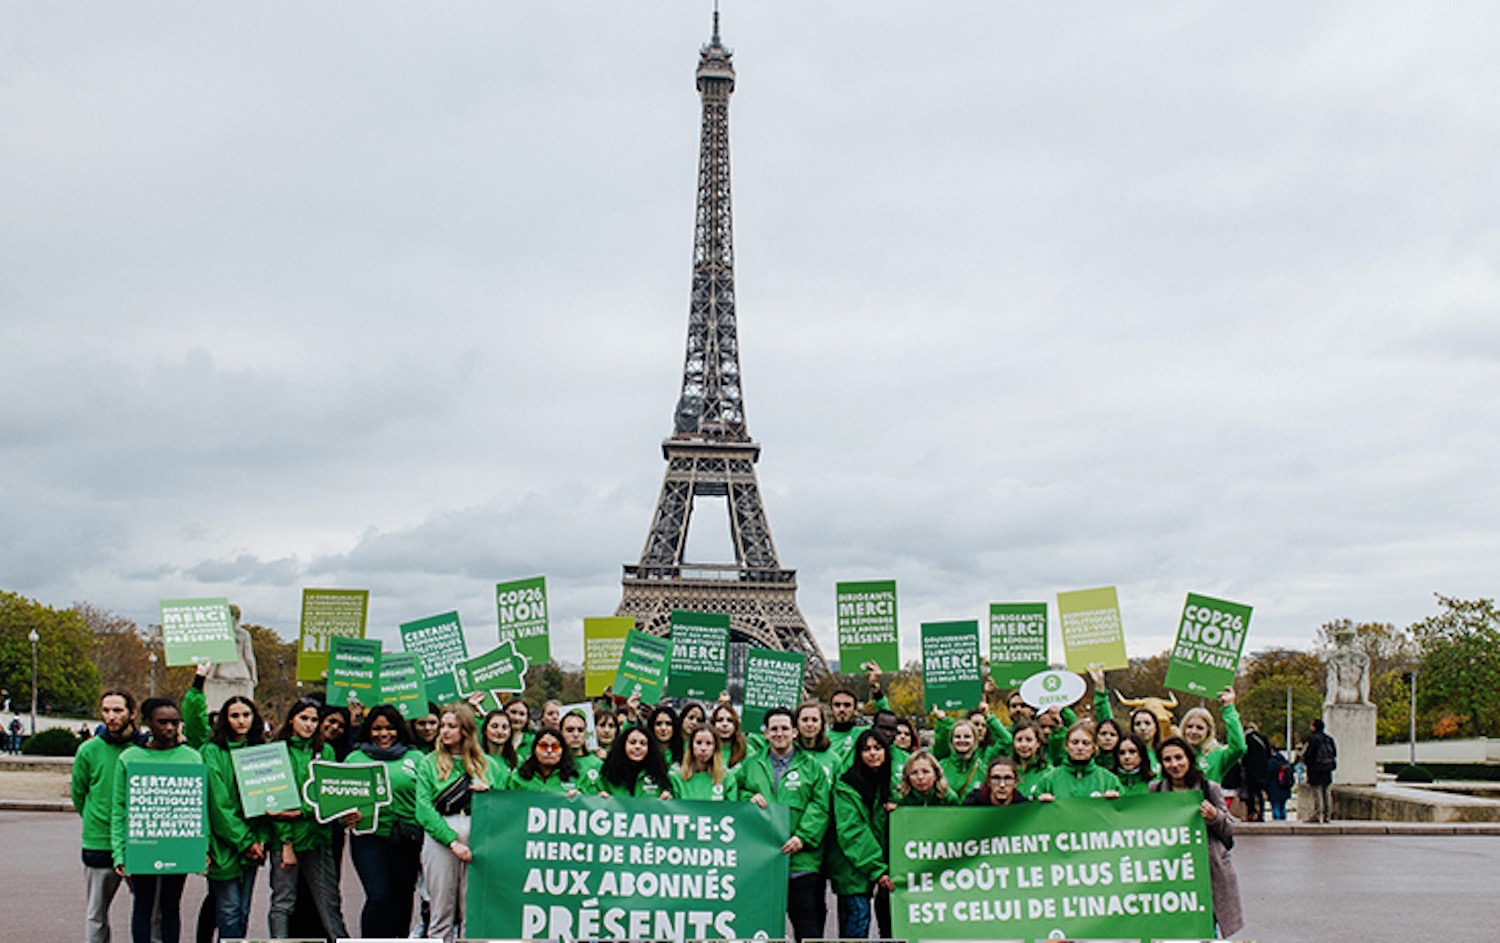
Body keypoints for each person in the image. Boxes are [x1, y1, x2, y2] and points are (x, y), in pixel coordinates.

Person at [109, 698, 203, 943]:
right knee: (143, 905)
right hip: (143, 844)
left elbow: (200, 809)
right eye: (163, 723)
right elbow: (119, 809)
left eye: (174, 722)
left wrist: (202, 848)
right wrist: (119, 853)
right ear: (148, 723)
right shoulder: (130, 758)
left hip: (178, 843)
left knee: (171, 906)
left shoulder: (191, 758)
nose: (170, 728)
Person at [734, 707, 832, 943]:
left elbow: (820, 806)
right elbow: (733, 793)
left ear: (795, 732)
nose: (780, 733)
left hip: (801, 860)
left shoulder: (812, 767)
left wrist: (802, 837)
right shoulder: (750, 766)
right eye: (774, 729)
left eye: (785, 728)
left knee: (807, 925)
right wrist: (747, 799)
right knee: (760, 928)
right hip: (761, 862)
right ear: (765, 734)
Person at [415, 703, 503, 943]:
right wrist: (451, 841)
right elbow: (423, 809)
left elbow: (507, 801)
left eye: (452, 726)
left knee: (473, 906)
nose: (444, 731)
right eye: (443, 726)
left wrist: (489, 793)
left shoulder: (488, 764)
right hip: (442, 831)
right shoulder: (428, 763)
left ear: (465, 730)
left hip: (478, 830)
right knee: (441, 904)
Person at [268, 697, 347, 940]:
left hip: (318, 838)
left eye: (314, 720)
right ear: (291, 719)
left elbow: (328, 795)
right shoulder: (276, 751)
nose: (309, 724)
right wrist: (286, 842)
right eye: (304, 718)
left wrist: (300, 811)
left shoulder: (326, 750)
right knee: (283, 902)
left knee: (329, 902)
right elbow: (274, 802)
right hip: (286, 840)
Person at [345, 705, 423, 938]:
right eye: (377, 728)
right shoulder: (354, 758)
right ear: (369, 730)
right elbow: (339, 798)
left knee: (402, 897)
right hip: (369, 838)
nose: (384, 734)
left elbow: (427, 798)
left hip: (407, 837)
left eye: (390, 728)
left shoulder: (417, 758)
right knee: (378, 895)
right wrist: (344, 816)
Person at [1151, 738, 1242, 937]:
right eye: (1167, 759)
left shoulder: (1210, 788)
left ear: (1189, 759)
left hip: (1207, 872)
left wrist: (1214, 817)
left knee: (1207, 930)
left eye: (1178, 758)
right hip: (1172, 872)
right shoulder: (1155, 790)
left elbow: (1228, 829)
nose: (1174, 764)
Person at [200, 695, 271, 939]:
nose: (241, 721)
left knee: (242, 911)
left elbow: (269, 801)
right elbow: (219, 805)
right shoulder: (211, 752)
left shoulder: (262, 751)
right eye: (234, 715)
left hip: (253, 844)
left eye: (246, 715)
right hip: (224, 844)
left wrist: (260, 839)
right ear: (224, 720)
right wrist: (245, 841)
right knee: (228, 911)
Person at [73, 689, 141, 943]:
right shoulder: (88, 750)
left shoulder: (144, 748)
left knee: (147, 911)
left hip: (138, 842)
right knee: (96, 913)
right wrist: (94, 817)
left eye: (118, 710)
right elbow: (78, 793)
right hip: (99, 841)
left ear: (132, 713)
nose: (111, 716)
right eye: (106, 710)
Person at [827, 729, 894, 939]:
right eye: (866, 749)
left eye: (878, 748)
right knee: (857, 923)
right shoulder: (846, 785)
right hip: (853, 868)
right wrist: (878, 869)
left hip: (882, 866)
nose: (873, 754)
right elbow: (852, 831)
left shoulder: (891, 784)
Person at [1035, 722, 1123, 801]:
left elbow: (1123, 812)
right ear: (1066, 746)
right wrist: (1040, 802)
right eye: (1075, 742)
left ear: (1094, 747)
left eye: (1086, 743)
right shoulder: (1049, 780)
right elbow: (1033, 811)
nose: (1080, 747)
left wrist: (1116, 802)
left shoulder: (1109, 780)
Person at [1179, 688, 1246, 783]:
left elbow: (1239, 747)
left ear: (1208, 731)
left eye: (1200, 728)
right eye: (1189, 726)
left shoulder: (1217, 755)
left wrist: (1229, 709)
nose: (1193, 731)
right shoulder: (1173, 754)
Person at [599, 726, 672, 798]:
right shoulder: (608, 775)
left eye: (643, 743)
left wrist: (667, 800)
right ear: (623, 746)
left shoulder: (659, 775)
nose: (637, 747)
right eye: (632, 743)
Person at [508, 728, 582, 795]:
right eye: (543, 746)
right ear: (534, 750)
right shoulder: (518, 777)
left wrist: (580, 799)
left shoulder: (575, 778)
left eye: (555, 747)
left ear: (562, 751)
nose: (549, 751)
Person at [670, 727, 737, 800]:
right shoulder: (677, 779)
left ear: (715, 748)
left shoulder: (727, 778)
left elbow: (731, 809)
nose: (703, 748)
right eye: (698, 743)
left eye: (708, 743)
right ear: (691, 746)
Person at [793, 701, 841, 775]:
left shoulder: (834, 760)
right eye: (805, 720)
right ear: (796, 723)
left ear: (822, 724)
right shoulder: (787, 755)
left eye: (814, 720)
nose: (809, 724)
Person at [1303, 718, 1337, 823]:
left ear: (1314, 727)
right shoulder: (1329, 739)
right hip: (1327, 768)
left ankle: (1317, 814)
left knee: (1316, 792)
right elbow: (1334, 753)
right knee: (1326, 792)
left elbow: (1309, 755)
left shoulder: (1313, 739)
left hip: (1315, 769)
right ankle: (1327, 815)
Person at [560, 710, 603, 790]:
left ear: (586, 733)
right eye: (570, 730)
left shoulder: (598, 764)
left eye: (580, 730)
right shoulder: (554, 763)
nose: (576, 734)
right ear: (561, 733)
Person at [962, 756, 1028, 807]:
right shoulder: (972, 803)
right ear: (988, 782)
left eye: (1008, 778)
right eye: (996, 778)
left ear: (1015, 782)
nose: (1002, 784)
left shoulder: (1024, 806)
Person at [1241, 722, 1273, 821]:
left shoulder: (1246, 738)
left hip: (1250, 769)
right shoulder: (1262, 738)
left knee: (1250, 792)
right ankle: (1261, 813)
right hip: (1262, 769)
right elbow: (1269, 754)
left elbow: (1243, 753)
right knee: (1259, 792)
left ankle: (1251, 812)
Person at [1010, 720, 1050, 798]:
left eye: (1029, 740)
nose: (1023, 744)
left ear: (1038, 743)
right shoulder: (1008, 772)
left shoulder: (1048, 773)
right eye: (1019, 740)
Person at [710, 702, 749, 769]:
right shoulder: (704, 748)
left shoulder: (747, 750)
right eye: (720, 720)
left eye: (730, 720)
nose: (725, 724)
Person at [1265, 742, 1294, 820]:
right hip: (1285, 788)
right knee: (1283, 807)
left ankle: (1277, 823)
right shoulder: (1285, 762)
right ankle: (1284, 822)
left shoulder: (1271, 762)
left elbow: (1268, 775)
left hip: (1274, 788)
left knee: (1275, 807)